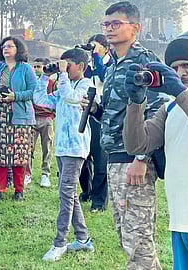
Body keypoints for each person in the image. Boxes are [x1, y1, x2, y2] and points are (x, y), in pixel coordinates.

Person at [123, 28, 188, 270]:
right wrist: (136, 101)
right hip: (183, 222)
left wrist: (183, 95)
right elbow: (137, 144)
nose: (181, 73)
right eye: (175, 67)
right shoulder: (170, 108)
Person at [80, 2, 167, 269]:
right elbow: (117, 110)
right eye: (106, 24)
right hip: (115, 156)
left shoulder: (145, 61)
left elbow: (157, 108)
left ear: (135, 28)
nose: (109, 29)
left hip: (133, 159)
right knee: (126, 235)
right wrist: (96, 110)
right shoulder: (113, 64)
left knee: (138, 241)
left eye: (116, 24)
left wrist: (142, 156)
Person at [34, 48, 95, 261]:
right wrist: (44, 76)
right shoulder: (63, 84)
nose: (65, 68)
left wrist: (61, 76)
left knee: (66, 194)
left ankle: (59, 243)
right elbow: (40, 99)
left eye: (68, 64)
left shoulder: (87, 85)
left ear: (81, 66)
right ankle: (83, 238)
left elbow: (70, 98)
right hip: (61, 147)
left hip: (75, 148)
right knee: (69, 193)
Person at [0, 36, 37, 202]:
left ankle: (19, 190)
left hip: (19, 117)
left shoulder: (26, 69)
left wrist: (15, 96)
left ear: (18, 49)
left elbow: (33, 91)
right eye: (3, 47)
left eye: (9, 46)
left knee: (19, 155)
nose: (5, 49)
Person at [79, 34, 113, 212]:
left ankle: (99, 201)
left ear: (106, 48)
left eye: (97, 46)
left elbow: (104, 76)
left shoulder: (111, 64)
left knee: (100, 159)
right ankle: (87, 190)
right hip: (84, 111)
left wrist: (98, 56)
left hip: (101, 114)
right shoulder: (89, 65)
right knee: (83, 156)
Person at [24, 57, 55, 187]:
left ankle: (45, 174)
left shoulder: (52, 83)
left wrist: (51, 114)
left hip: (46, 118)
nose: (36, 69)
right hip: (32, 117)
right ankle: (27, 174)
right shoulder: (31, 83)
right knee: (27, 147)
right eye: (35, 66)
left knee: (46, 147)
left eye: (39, 67)